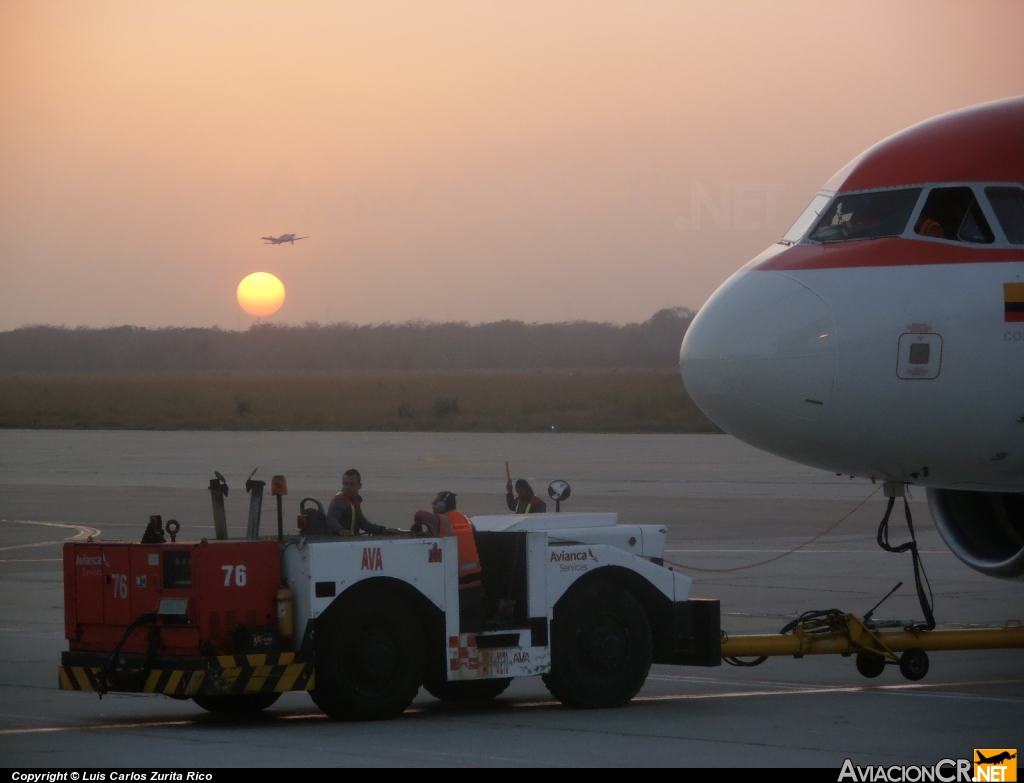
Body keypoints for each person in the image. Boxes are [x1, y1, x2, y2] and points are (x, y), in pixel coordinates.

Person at [411, 491, 482, 631]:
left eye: (436, 503)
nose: (434, 505)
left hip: (458, 581)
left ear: (442, 505)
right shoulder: (466, 519)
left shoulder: (442, 520)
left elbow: (420, 515)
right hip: (476, 580)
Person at [325, 468, 394, 536]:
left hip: (350, 540)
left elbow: (363, 524)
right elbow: (331, 519)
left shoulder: (354, 502)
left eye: (352, 484)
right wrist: (340, 530)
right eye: (345, 484)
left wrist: (382, 530)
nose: (348, 487)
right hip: (339, 541)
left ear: (359, 486)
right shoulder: (339, 502)